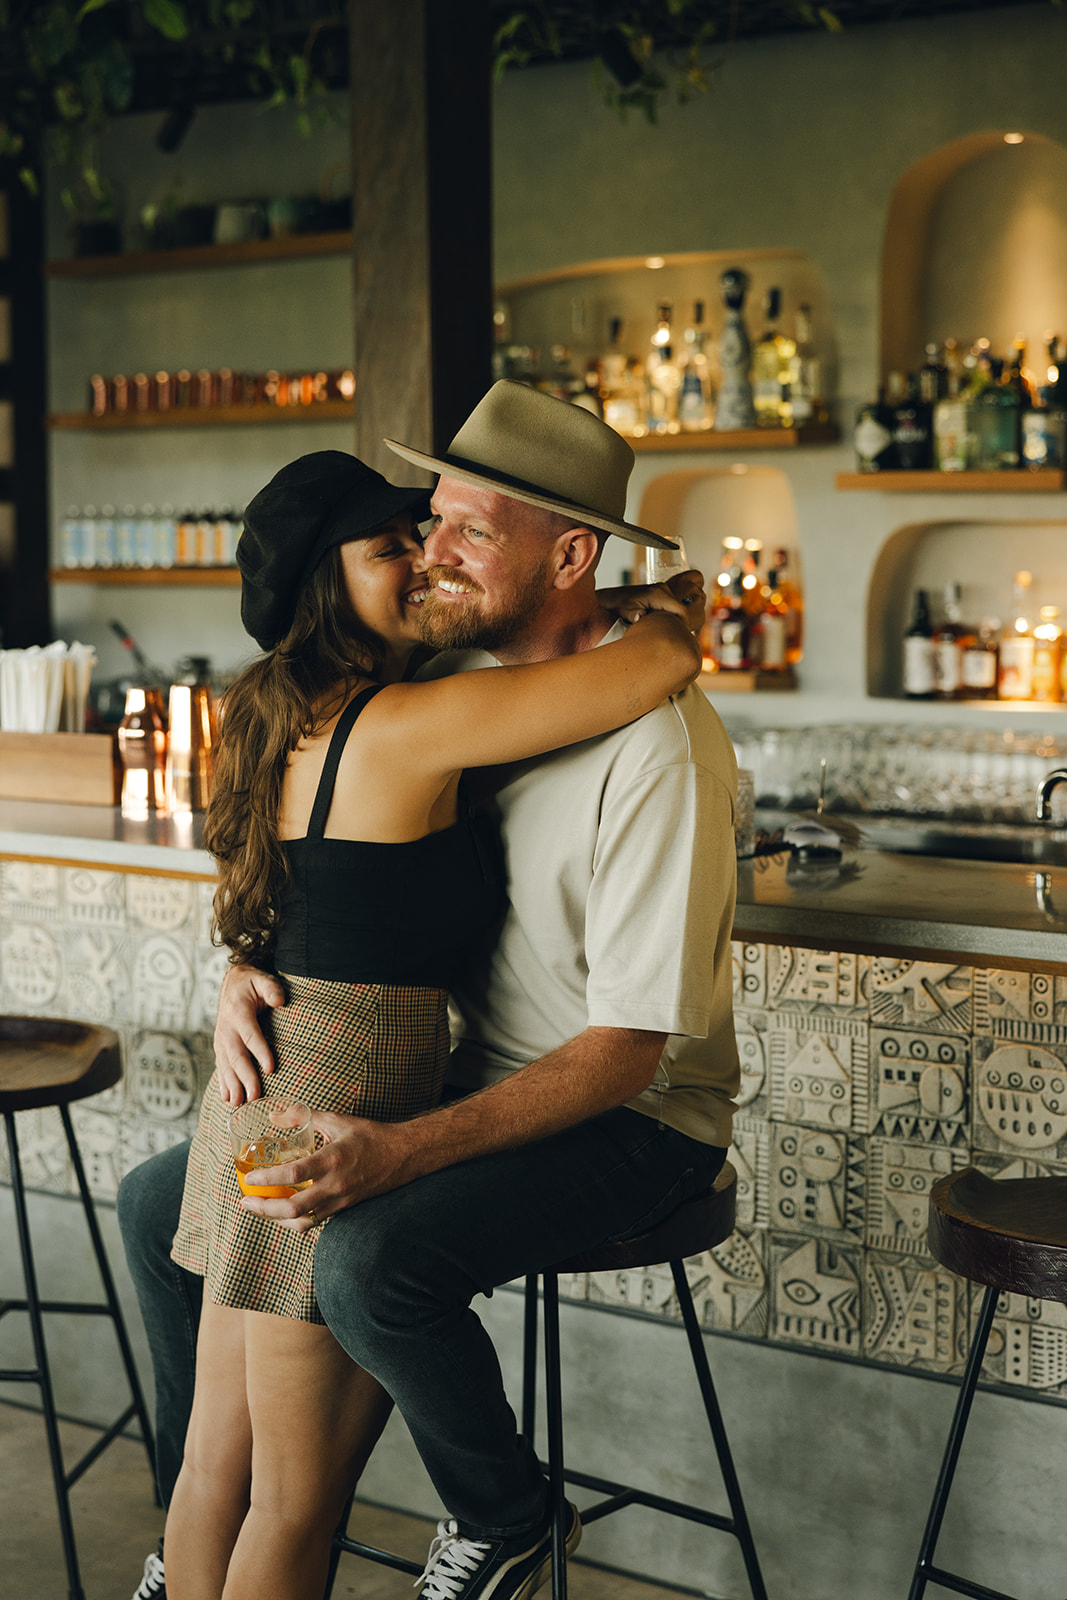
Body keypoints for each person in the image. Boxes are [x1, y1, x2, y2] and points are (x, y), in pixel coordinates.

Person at [119, 380, 738, 1600]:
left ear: (566, 554)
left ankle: (498, 1510)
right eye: (414, 531)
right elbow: (335, 883)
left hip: (623, 1114)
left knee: (347, 1281)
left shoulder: (638, 738)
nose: (429, 559)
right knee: (160, 1218)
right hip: (391, 1066)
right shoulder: (450, 709)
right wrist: (250, 968)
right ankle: (219, 1532)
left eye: (458, 532)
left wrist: (394, 1148)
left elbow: (625, 1051)